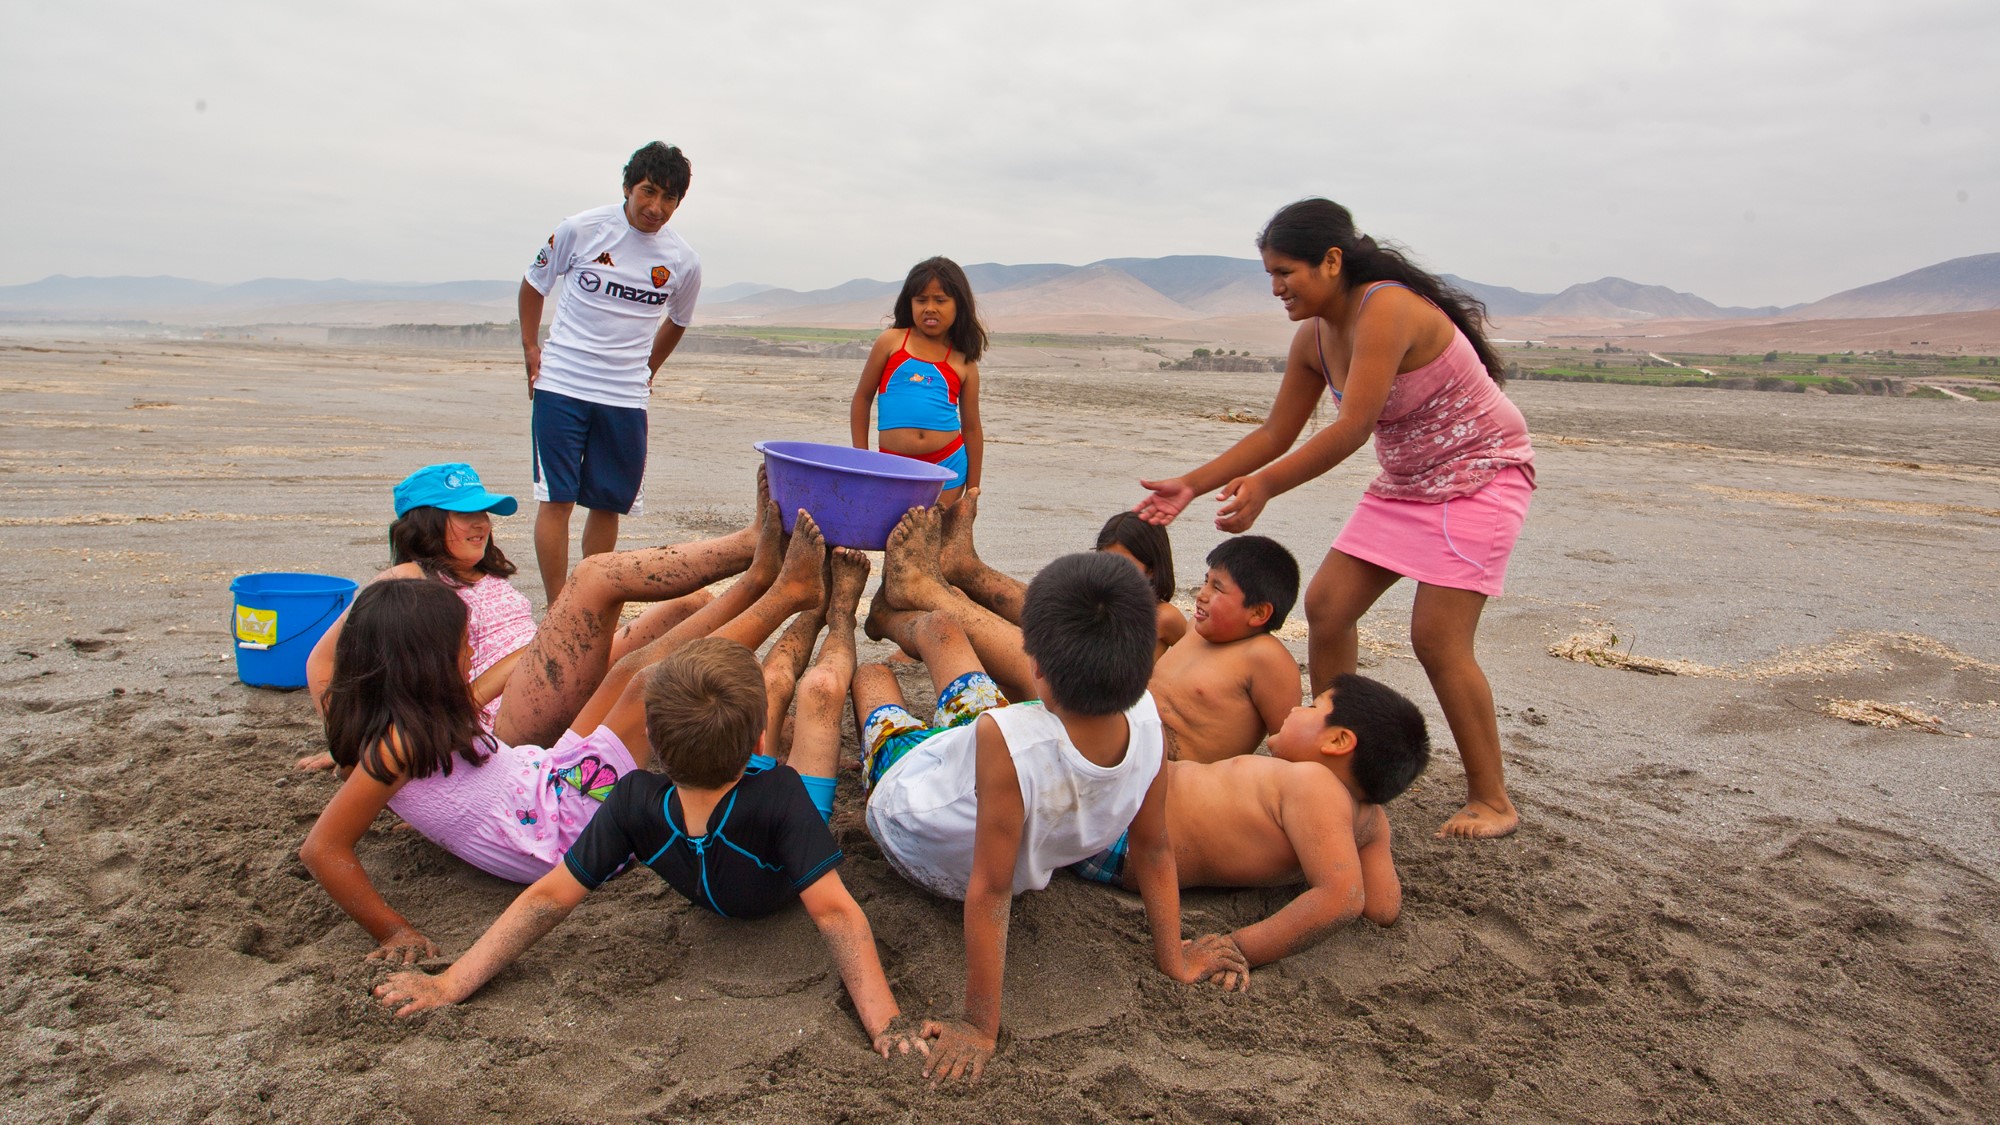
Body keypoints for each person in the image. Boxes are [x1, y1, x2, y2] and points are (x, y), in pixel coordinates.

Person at [369, 551, 925, 1059]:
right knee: (817, 689)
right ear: (762, 743)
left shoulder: (634, 797)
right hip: (773, 817)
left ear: (652, 743)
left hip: (733, 772)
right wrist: (887, 1024)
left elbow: (549, 898)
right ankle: (838, 612)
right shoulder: (780, 792)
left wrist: (451, 982)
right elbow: (834, 911)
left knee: (778, 684)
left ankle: (826, 605)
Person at [1136, 199, 1535, 839]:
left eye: (1286, 272)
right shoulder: (1313, 339)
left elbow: (1352, 428)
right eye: (1269, 274)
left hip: (1481, 473)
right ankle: (1340, 760)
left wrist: (1264, 488)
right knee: (1327, 607)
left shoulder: (1388, 307)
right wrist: (1192, 483)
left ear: (1331, 261)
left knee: (1436, 638)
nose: (1276, 288)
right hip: (1407, 481)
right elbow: (1274, 431)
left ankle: (1492, 798)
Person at [298, 510, 827, 963]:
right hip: (562, 828)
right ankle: (784, 594)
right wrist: (392, 929)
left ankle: (761, 580)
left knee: (627, 676)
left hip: (544, 779)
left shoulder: (393, 719)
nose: (469, 657)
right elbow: (323, 849)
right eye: (463, 648)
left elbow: (322, 662)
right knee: (647, 684)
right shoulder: (398, 745)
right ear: (419, 666)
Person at [856, 518, 1247, 1084]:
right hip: (987, 767)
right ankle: (891, 615)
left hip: (910, 811)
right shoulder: (1148, 724)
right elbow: (1156, 850)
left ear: (1035, 665)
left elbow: (989, 889)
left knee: (874, 683)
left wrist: (979, 1028)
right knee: (942, 631)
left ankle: (861, 631)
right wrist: (1175, 959)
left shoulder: (1005, 739)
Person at [302, 463, 713, 734]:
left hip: (552, 671)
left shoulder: (486, 574)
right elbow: (323, 660)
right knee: (594, 579)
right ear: (425, 522)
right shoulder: (407, 579)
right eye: (465, 515)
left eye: (483, 514)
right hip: (501, 711)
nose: (481, 524)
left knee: (694, 605)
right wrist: (346, 741)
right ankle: (750, 547)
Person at [1071, 674, 1429, 968]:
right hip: (1123, 825)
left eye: (1312, 706)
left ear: (1337, 741)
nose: (1294, 708)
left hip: (1120, 821)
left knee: (1042, 689)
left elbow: (1343, 897)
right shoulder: (1371, 821)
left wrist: (1240, 948)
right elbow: (1381, 907)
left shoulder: (1314, 785)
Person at [520, 141, 703, 602]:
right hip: (563, 383)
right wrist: (530, 347)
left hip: (624, 396)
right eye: (648, 192)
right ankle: (557, 605)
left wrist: (647, 370)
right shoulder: (581, 229)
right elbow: (533, 282)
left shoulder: (682, 260)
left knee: (606, 503)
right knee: (556, 498)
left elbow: (678, 320)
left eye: (669, 199)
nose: (655, 208)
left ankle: (586, 603)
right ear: (627, 186)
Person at [937, 493, 1186, 662]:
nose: (1111, 574)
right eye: (1103, 562)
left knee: (1019, 649)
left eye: (1123, 566)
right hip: (1074, 680)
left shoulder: (1164, 617)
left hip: (1107, 704)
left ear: (1151, 568)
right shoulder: (1100, 601)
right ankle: (964, 575)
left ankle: (954, 584)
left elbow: (1196, 657)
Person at [1147, 535, 1304, 764]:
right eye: (1206, 581)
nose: (1201, 594)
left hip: (1178, 782)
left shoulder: (1265, 657)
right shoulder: (1194, 630)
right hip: (1130, 752)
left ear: (1258, 613)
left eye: (1217, 588)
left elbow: (1290, 750)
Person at [850, 257, 985, 505]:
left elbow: (972, 429)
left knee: (933, 540)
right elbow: (862, 398)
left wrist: (972, 493)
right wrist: (862, 458)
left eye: (940, 300)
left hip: (948, 466)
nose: (930, 308)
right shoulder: (891, 342)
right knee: (892, 538)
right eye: (921, 300)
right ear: (909, 303)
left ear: (959, 305)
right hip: (893, 463)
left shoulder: (963, 361)